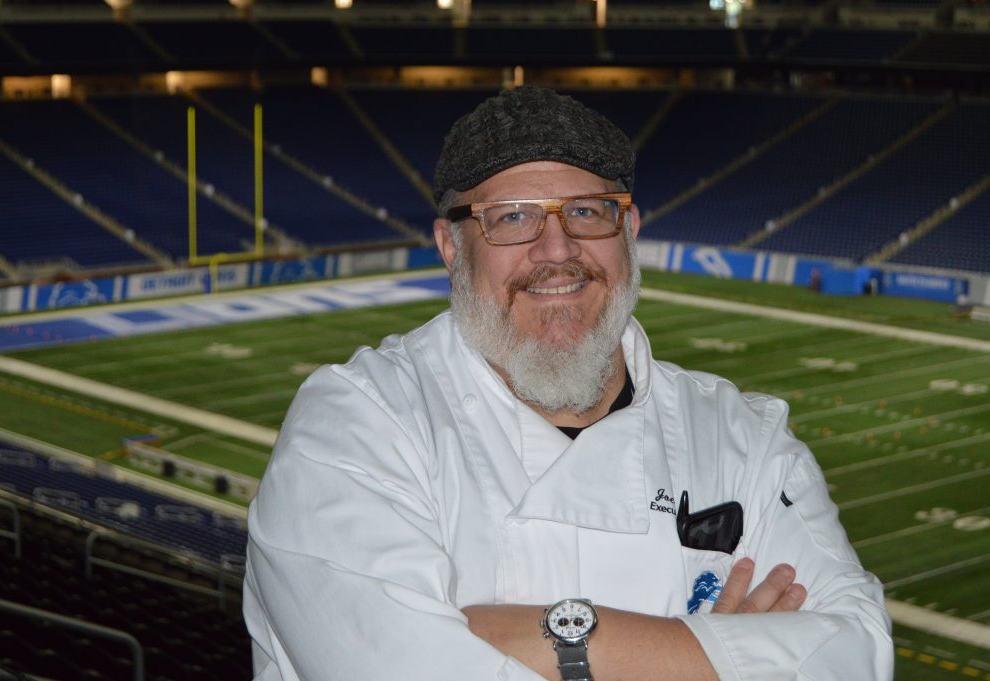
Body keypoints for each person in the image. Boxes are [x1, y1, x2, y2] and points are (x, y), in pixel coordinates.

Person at [243, 86, 893, 681]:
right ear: (451, 245)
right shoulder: (352, 429)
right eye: (513, 217)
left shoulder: (747, 441)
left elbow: (859, 652)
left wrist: (573, 642)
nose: (556, 250)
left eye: (587, 211)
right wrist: (710, 653)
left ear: (629, 232)